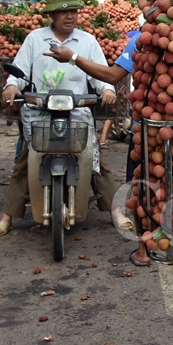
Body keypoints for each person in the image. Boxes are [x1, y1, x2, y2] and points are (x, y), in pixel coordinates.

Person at [0, 0, 131, 237]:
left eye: (73, 11)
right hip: (40, 114)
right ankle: (7, 216)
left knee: (95, 161)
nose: (69, 16)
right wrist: (12, 85)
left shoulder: (87, 41)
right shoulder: (35, 38)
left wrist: (107, 90)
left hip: (77, 112)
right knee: (26, 161)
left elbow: (100, 74)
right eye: (63, 12)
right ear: (52, 15)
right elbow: (19, 72)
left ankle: (115, 212)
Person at [44, 14, 145, 263]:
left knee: (142, 186)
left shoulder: (142, 40)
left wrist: (74, 58)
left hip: (147, 125)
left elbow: (111, 77)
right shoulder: (35, 39)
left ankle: (144, 251)